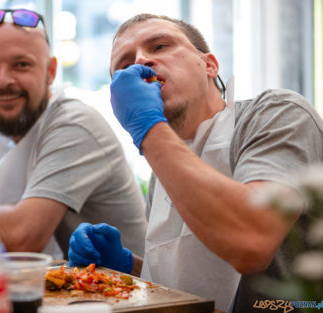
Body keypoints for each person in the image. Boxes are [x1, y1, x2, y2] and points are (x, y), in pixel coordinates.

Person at [68, 13, 323, 312]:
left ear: (209, 64)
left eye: (160, 46)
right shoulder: (163, 166)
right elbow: (192, 287)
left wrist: (148, 129)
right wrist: (127, 268)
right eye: (124, 66)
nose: (140, 63)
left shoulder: (277, 114)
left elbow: (251, 242)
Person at [0, 8, 147, 259]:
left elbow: (23, 236)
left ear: (50, 72)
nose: (3, 80)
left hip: (131, 292)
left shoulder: (74, 124)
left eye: (21, 65)